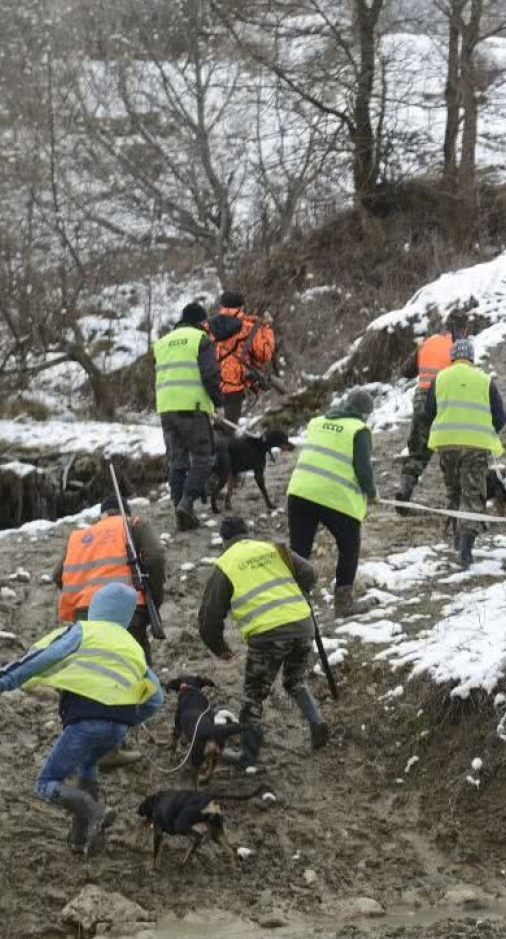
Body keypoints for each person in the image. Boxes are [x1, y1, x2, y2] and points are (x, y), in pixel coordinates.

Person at [0, 583, 163, 855]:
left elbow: (44, 657)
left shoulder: (83, 630)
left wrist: (1, 683)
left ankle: (95, 811)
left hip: (84, 723)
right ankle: (79, 841)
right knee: (88, 768)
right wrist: (129, 720)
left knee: (46, 783)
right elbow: (156, 698)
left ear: (96, 608)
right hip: (117, 728)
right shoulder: (133, 646)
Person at [199, 516, 328, 768]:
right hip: (302, 624)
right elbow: (310, 572)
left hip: (268, 635)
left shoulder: (225, 563)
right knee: (295, 680)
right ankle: (316, 721)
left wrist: (219, 647)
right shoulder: (272, 548)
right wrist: (294, 595)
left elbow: (209, 617)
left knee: (253, 697)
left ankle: (247, 755)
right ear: (248, 532)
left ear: (224, 541)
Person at [286, 388, 376, 619]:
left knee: (299, 550)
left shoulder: (317, 422)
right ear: (365, 414)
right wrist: (371, 493)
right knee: (349, 546)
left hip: (300, 492)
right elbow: (364, 469)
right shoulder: (359, 430)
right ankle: (343, 603)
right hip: (334, 498)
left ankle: (293, 602)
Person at [52, 495, 165, 663]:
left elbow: (57, 575)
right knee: (136, 670)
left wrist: (83, 597)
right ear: (125, 512)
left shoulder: (79, 537)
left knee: (93, 673)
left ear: (102, 515)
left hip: (86, 616)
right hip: (128, 612)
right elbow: (155, 558)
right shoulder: (133, 525)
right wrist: (153, 600)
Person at [424, 337, 506, 569]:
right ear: (471, 358)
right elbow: (500, 417)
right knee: (472, 494)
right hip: (474, 447)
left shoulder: (440, 378)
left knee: (454, 492)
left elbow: (427, 411)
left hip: (446, 446)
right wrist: (486, 433)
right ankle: (465, 550)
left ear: (452, 358)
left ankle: (456, 541)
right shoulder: (483, 380)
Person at [154, 300, 222, 530]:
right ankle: (187, 502)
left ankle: (179, 511)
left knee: (177, 460)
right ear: (201, 322)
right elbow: (210, 374)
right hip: (192, 408)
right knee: (204, 458)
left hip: (166, 409)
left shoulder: (162, 343)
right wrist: (218, 404)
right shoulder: (200, 340)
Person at [395, 309, 469, 505]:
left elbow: (406, 371)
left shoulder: (428, 342)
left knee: (418, 448)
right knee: (450, 448)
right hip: (445, 400)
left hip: (421, 398)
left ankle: (406, 488)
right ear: (465, 328)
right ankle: (454, 499)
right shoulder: (460, 347)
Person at [209, 290, 277, 425]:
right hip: (233, 388)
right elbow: (265, 355)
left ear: (221, 306)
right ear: (241, 307)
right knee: (228, 429)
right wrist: (268, 328)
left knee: (209, 431)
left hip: (210, 384)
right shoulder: (249, 328)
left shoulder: (207, 326)